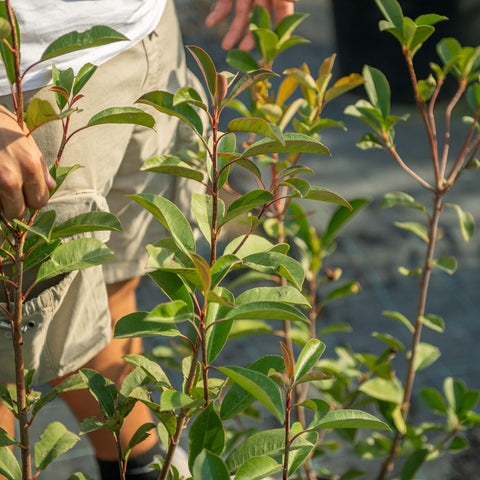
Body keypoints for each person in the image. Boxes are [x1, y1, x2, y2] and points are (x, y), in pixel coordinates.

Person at [0, 1, 297, 479]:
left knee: (113, 290)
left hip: (146, 35)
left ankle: (143, 467)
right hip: (24, 89)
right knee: (11, 359)